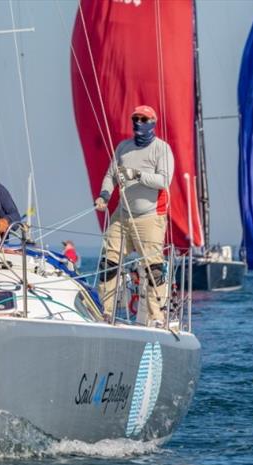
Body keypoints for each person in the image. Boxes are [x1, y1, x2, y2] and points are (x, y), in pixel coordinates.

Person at [94, 105, 174, 326]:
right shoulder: (123, 147)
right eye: (135, 118)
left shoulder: (161, 149)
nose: (139, 122)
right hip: (122, 213)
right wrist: (104, 195)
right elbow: (111, 175)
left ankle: (157, 316)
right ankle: (105, 311)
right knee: (108, 261)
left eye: (143, 119)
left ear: (152, 122)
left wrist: (137, 175)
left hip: (150, 216)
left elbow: (163, 181)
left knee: (153, 267)